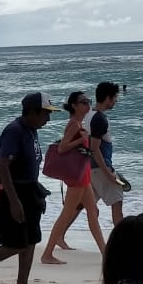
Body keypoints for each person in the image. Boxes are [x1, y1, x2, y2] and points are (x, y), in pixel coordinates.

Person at [0, 91, 60, 284]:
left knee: (31, 239)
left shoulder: (31, 130)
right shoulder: (14, 131)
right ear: (33, 112)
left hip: (29, 189)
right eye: (46, 113)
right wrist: (13, 200)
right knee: (16, 243)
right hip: (13, 190)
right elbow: (2, 165)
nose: (48, 118)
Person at [51, 82, 126, 250]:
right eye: (115, 98)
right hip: (100, 168)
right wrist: (108, 173)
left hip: (88, 169)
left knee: (80, 205)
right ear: (108, 98)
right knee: (117, 201)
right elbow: (95, 148)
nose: (115, 101)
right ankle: (123, 244)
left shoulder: (88, 116)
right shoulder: (99, 118)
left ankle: (60, 235)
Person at [40, 91, 108, 265]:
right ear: (74, 106)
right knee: (67, 214)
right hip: (77, 177)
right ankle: (47, 254)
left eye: (88, 101)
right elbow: (62, 148)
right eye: (83, 102)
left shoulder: (79, 123)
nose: (87, 104)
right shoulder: (74, 125)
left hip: (83, 174)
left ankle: (105, 253)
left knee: (93, 212)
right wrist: (81, 140)